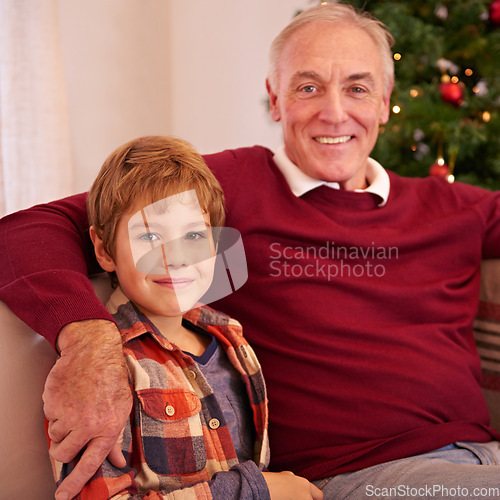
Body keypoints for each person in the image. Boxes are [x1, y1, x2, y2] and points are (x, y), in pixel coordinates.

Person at [1, 2, 500, 499]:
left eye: (357, 88)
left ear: (385, 99)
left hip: (484, 456)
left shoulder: (455, 207)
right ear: (275, 99)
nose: (334, 112)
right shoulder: (224, 189)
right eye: (308, 87)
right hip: (362, 474)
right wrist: (88, 338)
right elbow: (29, 229)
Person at [45, 135, 322, 500]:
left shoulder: (231, 339)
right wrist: (258, 490)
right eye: (148, 235)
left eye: (193, 234)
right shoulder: (100, 371)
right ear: (104, 249)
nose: (175, 257)